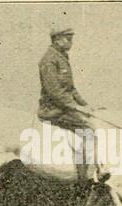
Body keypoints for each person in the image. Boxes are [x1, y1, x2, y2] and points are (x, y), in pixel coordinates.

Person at [38, 25, 98, 182]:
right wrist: (75, 107)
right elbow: (54, 92)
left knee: (95, 120)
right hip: (53, 110)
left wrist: (84, 105)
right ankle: (84, 177)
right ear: (57, 39)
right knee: (89, 129)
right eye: (68, 39)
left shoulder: (62, 56)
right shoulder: (49, 60)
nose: (71, 43)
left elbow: (70, 88)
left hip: (64, 108)